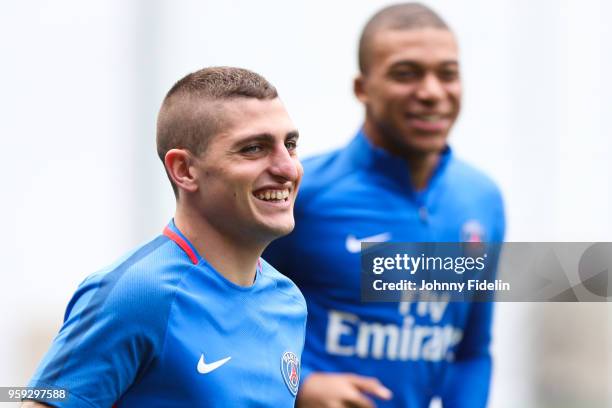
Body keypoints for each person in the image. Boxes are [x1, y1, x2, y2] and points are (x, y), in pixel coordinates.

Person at [263, 3, 505, 407]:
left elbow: (471, 351)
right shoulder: (303, 192)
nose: (431, 92)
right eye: (405, 74)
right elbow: (229, 318)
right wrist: (303, 386)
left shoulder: (482, 199)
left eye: (447, 74)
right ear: (362, 88)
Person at [24, 67, 306, 407]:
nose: (288, 168)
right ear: (184, 170)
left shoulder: (288, 300)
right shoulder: (139, 294)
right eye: (253, 149)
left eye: (289, 145)